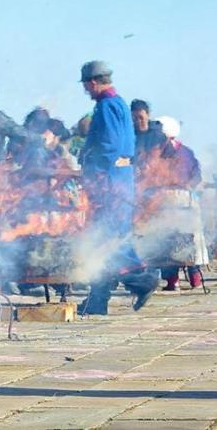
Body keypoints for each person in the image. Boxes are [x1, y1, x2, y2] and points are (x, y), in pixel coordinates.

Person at [77, 60, 159, 315]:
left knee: (110, 240)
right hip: (116, 179)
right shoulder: (118, 103)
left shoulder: (107, 105)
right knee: (104, 240)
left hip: (109, 181)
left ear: (92, 82)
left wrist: (91, 162)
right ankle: (98, 300)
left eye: (86, 86)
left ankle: (141, 280)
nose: (86, 91)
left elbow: (111, 146)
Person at [135, 116, 210, 291]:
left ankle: (195, 278)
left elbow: (195, 177)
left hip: (182, 199)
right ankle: (171, 280)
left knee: (187, 239)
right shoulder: (152, 153)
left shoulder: (184, 153)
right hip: (160, 201)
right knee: (165, 241)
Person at [130, 99, 166, 165]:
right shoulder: (130, 137)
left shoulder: (159, 136)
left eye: (141, 118)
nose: (138, 121)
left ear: (148, 115)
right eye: (135, 118)